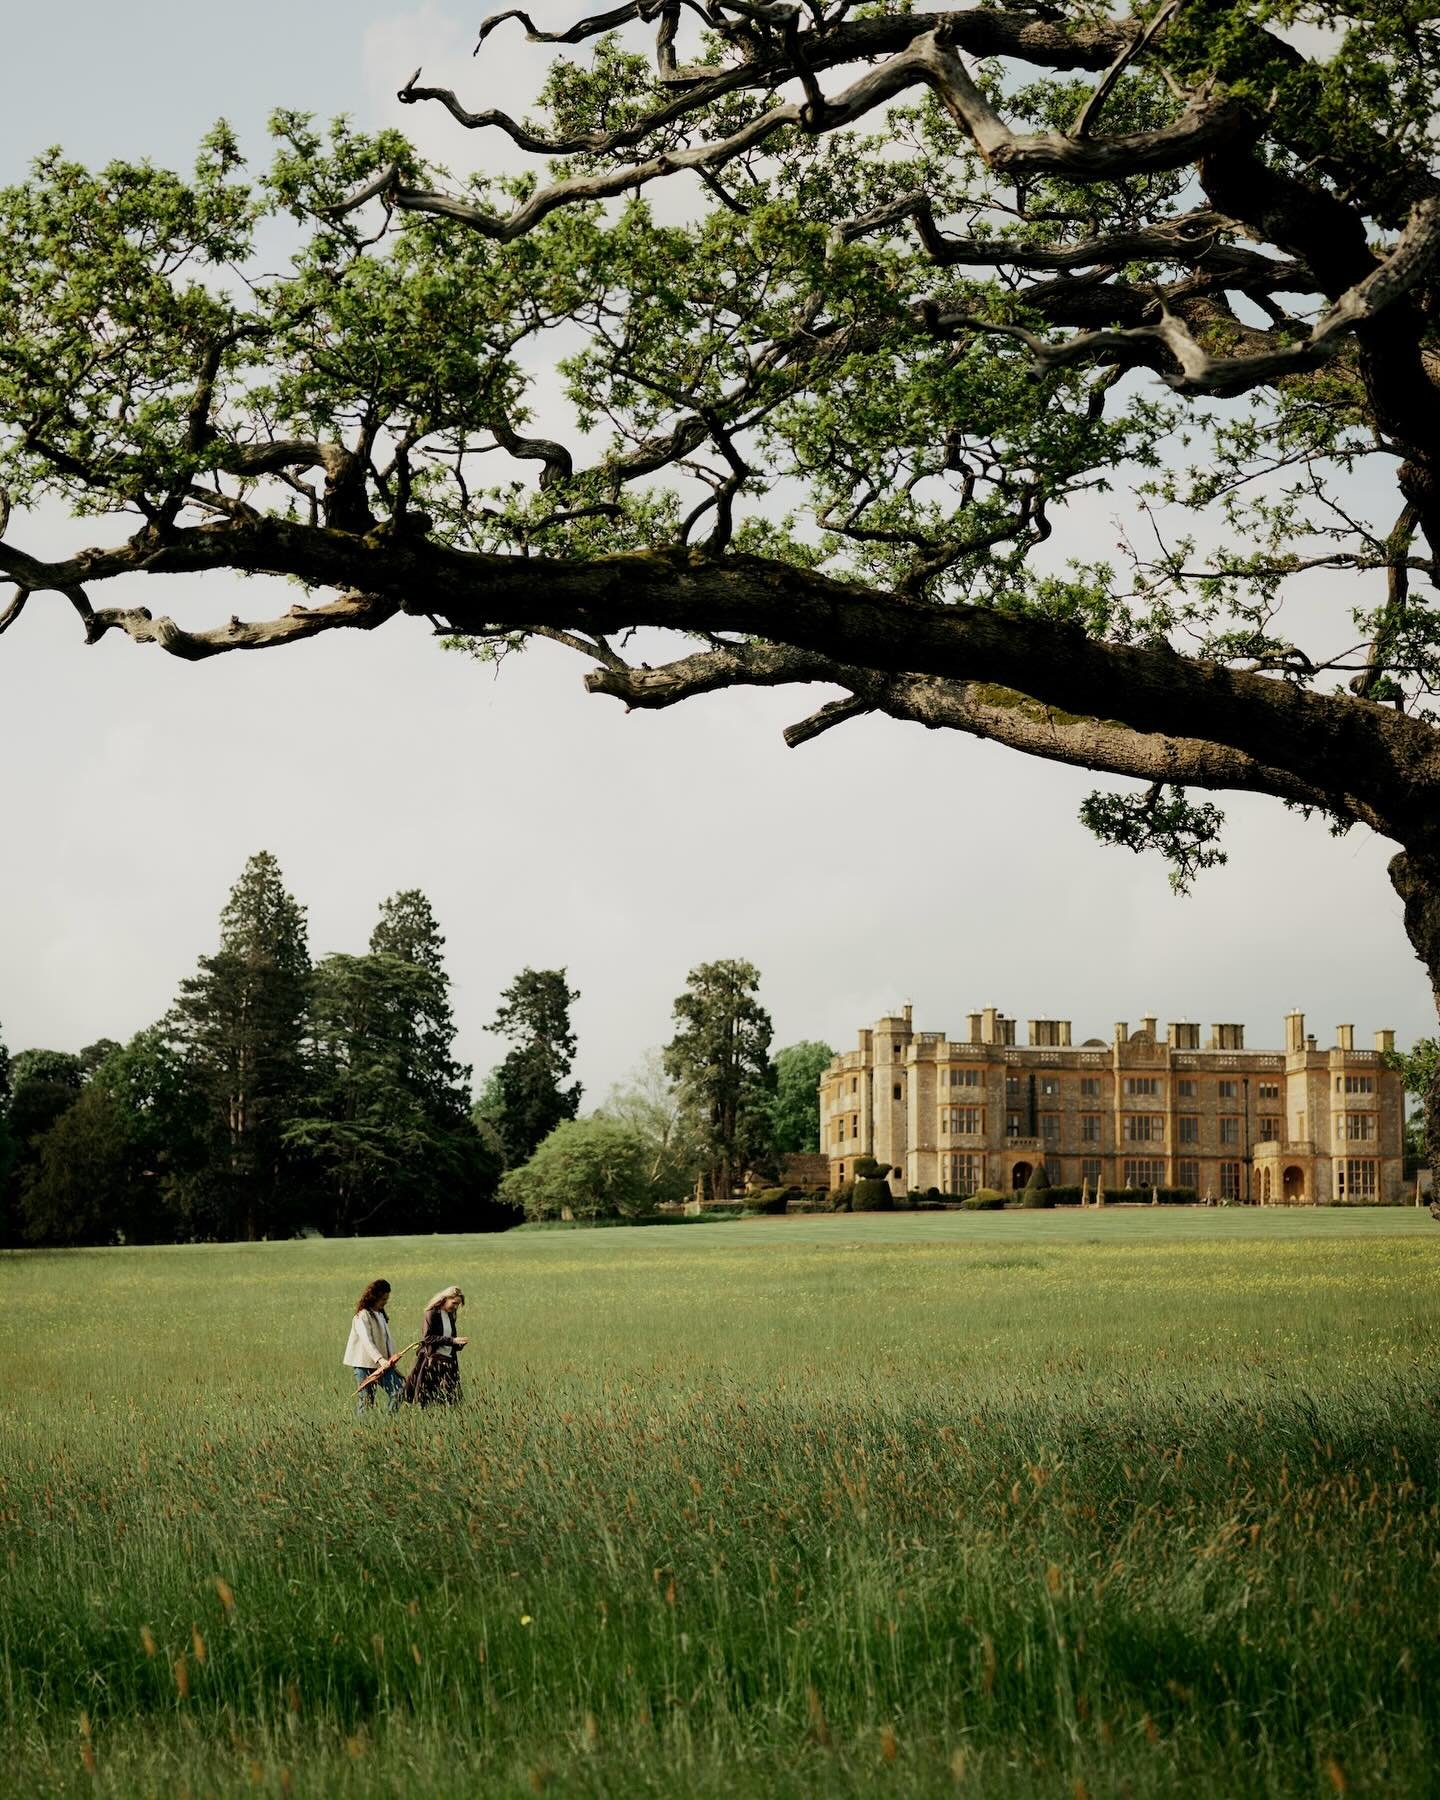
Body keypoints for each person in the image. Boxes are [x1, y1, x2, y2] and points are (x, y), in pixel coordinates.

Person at [345, 1279, 403, 1414]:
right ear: (374, 1297)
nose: (385, 1303)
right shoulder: (362, 1316)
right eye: (383, 1299)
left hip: (384, 1364)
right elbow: (367, 1341)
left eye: (386, 1299)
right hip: (364, 1365)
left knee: (399, 1391)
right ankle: (362, 1431)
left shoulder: (381, 1314)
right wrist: (380, 1359)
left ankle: (388, 1424)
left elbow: (387, 1339)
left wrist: (391, 1358)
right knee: (366, 1400)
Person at [403, 1285, 467, 1407]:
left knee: (451, 1399)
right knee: (427, 1398)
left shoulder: (450, 1315)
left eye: (458, 1305)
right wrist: (453, 1341)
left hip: (449, 1361)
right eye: (454, 1303)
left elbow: (449, 1339)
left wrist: (458, 1344)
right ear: (445, 1298)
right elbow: (428, 1338)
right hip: (432, 1361)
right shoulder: (431, 1313)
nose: (455, 1307)